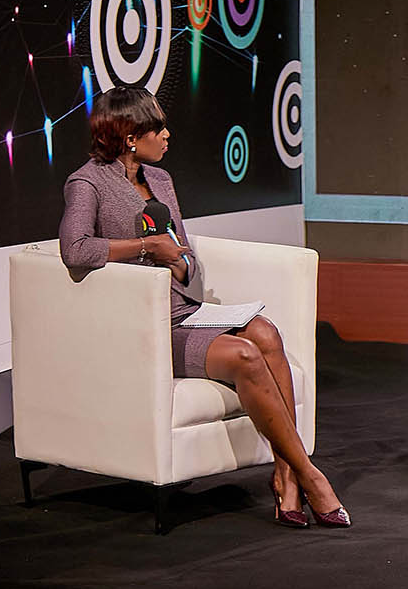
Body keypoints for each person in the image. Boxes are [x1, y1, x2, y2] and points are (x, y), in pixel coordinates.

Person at [59, 88, 349, 528]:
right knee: (245, 355)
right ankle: (309, 474)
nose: (168, 135)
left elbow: (184, 255)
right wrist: (146, 247)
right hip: (142, 327)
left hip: (182, 310)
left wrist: (179, 262)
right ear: (130, 137)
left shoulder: (160, 180)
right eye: (158, 128)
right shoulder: (88, 183)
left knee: (265, 332)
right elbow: (75, 249)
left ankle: (286, 476)